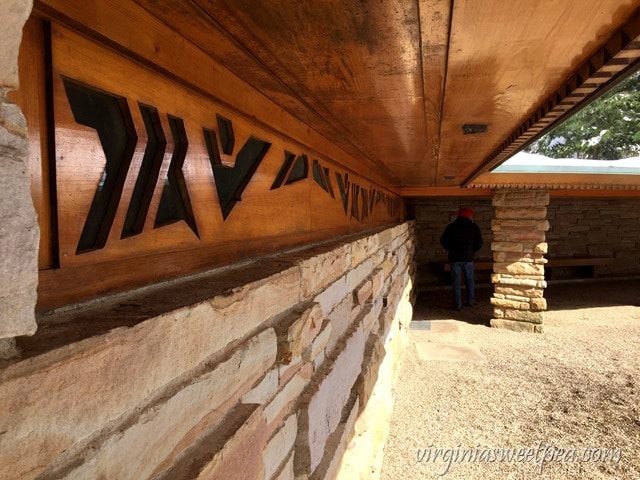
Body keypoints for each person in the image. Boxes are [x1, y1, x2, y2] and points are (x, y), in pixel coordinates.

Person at [440, 207, 484, 310]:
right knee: (470, 280)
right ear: (469, 216)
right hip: (468, 258)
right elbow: (479, 243)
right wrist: (472, 251)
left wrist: (450, 249)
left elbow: (443, 240)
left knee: (456, 281)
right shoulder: (473, 227)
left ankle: (458, 304)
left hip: (454, 258)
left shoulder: (451, 227)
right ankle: (471, 301)